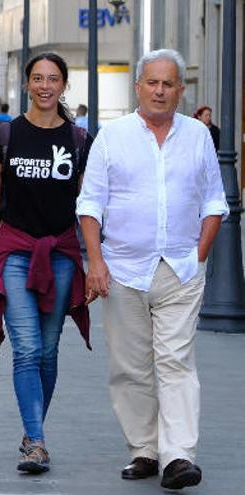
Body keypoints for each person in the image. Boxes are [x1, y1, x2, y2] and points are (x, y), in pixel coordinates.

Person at [77, 49, 228, 490]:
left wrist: (199, 253)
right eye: (152, 83)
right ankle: (144, 448)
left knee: (176, 360)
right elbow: (90, 204)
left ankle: (178, 455)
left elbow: (214, 201)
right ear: (138, 87)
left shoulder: (198, 135)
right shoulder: (112, 137)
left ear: (181, 90)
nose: (160, 91)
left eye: (169, 84)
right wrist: (96, 263)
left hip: (180, 269)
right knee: (130, 366)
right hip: (122, 269)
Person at [0, 53, 93, 474]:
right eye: (38, 78)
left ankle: (31, 432)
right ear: (27, 84)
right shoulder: (4, 137)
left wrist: (95, 259)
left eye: (54, 79)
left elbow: (89, 205)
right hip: (14, 249)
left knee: (47, 349)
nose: (45, 85)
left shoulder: (79, 141)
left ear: (63, 86)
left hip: (60, 253)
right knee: (25, 348)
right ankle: (37, 442)